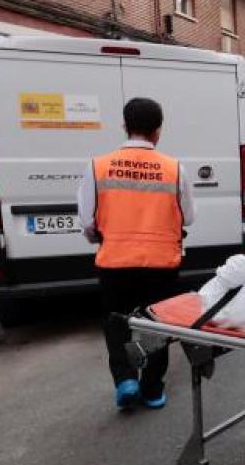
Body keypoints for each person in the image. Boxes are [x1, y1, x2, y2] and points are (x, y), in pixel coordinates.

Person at [77, 97, 195, 411]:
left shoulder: (98, 166)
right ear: (158, 130)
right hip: (161, 265)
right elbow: (189, 217)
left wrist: (102, 236)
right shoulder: (174, 169)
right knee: (156, 324)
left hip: (115, 262)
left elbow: (87, 221)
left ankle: (125, 379)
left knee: (117, 323)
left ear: (124, 126)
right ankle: (152, 388)